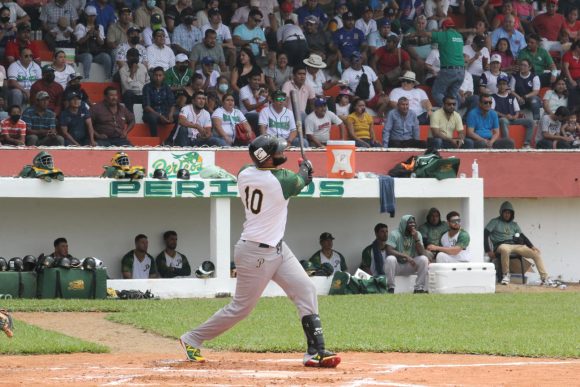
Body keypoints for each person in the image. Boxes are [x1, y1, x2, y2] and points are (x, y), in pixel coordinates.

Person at [179, 134, 341, 369]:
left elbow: (293, 176)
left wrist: (303, 172)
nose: (282, 154)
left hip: (277, 247)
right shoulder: (279, 181)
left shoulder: (245, 171)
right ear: (267, 159)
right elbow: (302, 181)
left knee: (305, 289)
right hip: (256, 253)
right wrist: (306, 168)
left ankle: (315, 351)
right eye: (277, 152)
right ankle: (191, 338)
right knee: (241, 308)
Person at [485, 201, 554, 286]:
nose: (507, 215)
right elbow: (485, 234)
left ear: (512, 214)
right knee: (505, 249)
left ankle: (544, 278)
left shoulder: (514, 225)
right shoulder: (495, 222)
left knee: (536, 254)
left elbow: (522, 236)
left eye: (509, 213)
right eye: (505, 212)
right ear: (501, 212)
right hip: (501, 245)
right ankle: (506, 275)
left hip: (515, 245)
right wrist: (488, 250)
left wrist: (532, 246)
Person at [418, 18, 465, 107]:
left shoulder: (444, 34)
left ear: (444, 27)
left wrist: (419, 30)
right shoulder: (459, 36)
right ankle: (455, 117)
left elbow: (425, 34)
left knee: (437, 92)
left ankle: (451, 112)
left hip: (449, 70)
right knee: (453, 95)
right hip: (461, 71)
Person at [491, 74, 534, 148]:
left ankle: (526, 144)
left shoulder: (512, 97)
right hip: (500, 119)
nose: (502, 86)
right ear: (497, 85)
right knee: (503, 120)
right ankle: (507, 144)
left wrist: (515, 117)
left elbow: (517, 111)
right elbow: (492, 111)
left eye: (504, 84)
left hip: (512, 119)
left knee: (530, 122)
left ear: (507, 86)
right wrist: (505, 116)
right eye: (500, 84)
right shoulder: (493, 97)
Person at [341, 51, 388, 116]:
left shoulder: (368, 68)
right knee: (357, 101)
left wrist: (381, 91)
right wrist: (352, 96)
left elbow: (376, 82)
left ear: (361, 60)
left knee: (386, 99)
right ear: (351, 61)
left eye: (358, 60)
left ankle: (378, 119)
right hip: (358, 99)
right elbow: (343, 89)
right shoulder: (346, 73)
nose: (356, 62)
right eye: (354, 60)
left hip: (372, 99)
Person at [74, 5, 112, 80]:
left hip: (95, 54)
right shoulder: (80, 26)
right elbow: (79, 42)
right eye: (90, 16)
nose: (92, 18)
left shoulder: (99, 27)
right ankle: (86, 78)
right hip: (82, 53)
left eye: (94, 16)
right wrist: (88, 34)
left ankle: (108, 78)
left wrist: (97, 35)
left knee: (106, 56)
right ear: (85, 15)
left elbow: (101, 43)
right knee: (88, 56)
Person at [142, 66, 175, 137]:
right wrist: (160, 116)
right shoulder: (147, 87)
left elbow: (172, 103)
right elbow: (147, 107)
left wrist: (171, 114)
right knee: (152, 117)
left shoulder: (166, 87)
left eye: (160, 75)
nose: (158, 78)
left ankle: (170, 139)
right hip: (151, 114)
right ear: (152, 76)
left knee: (179, 116)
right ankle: (155, 139)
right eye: (156, 75)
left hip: (165, 113)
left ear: (163, 76)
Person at [119, 47, 149, 113]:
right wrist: (132, 73)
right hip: (131, 96)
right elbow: (127, 87)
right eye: (133, 56)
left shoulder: (142, 67)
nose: (135, 58)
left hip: (142, 95)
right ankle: (131, 117)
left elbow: (148, 82)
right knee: (128, 94)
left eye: (137, 56)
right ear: (127, 57)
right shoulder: (123, 70)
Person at [562, 40, 580, 111]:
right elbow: (565, 69)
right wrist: (571, 80)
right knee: (573, 88)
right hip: (569, 78)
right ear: (577, 47)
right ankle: (572, 110)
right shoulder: (567, 55)